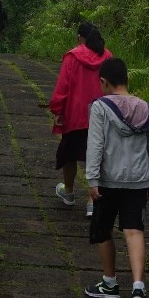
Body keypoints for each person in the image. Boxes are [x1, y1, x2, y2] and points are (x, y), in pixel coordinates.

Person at [83, 56, 149, 298]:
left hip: (108, 180)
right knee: (134, 231)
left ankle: (110, 283)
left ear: (103, 82)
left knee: (103, 230)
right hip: (138, 180)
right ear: (127, 79)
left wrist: (91, 178)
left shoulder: (100, 107)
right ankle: (138, 286)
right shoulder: (145, 107)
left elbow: (95, 145)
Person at [48, 21, 108, 211]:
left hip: (76, 115)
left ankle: (69, 192)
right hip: (101, 115)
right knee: (97, 157)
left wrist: (58, 110)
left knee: (70, 155)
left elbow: (63, 86)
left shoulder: (72, 56)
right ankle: (92, 201)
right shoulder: (107, 56)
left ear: (81, 38)